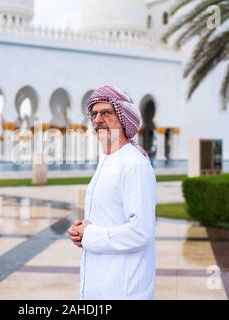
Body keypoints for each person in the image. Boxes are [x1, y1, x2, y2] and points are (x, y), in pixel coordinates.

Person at [67, 85, 157, 300]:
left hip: (123, 290)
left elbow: (141, 232)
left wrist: (90, 235)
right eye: (94, 114)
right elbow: (107, 217)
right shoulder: (108, 160)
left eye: (106, 112)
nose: (98, 119)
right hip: (100, 285)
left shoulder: (134, 164)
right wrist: (82, 230)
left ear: (124, 118)